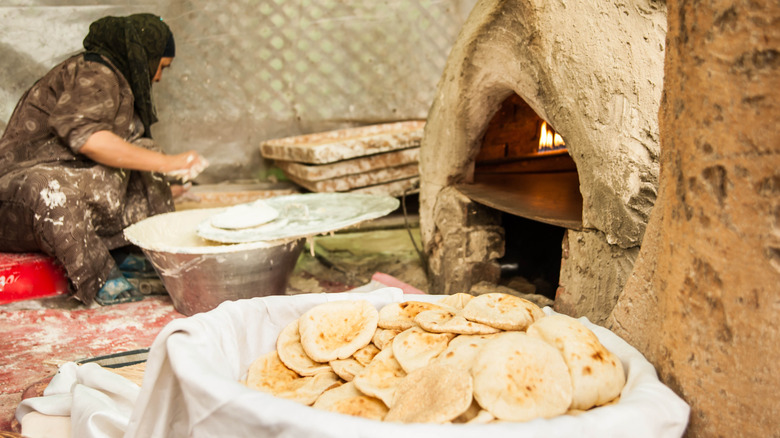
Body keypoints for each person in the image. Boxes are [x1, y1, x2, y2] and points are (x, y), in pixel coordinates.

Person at [0, 13, 207, 305]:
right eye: (161, 67)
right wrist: (171, 163)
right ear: (145, 56)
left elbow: (125, 150)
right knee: (51, 187)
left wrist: (162, 181)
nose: (158, 77)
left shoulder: (117, 80)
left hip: (67, 175)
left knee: (146, 153)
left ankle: (133, 252)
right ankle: (100, 278)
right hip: (15, 196)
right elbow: (90, 140)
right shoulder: (94, 72)